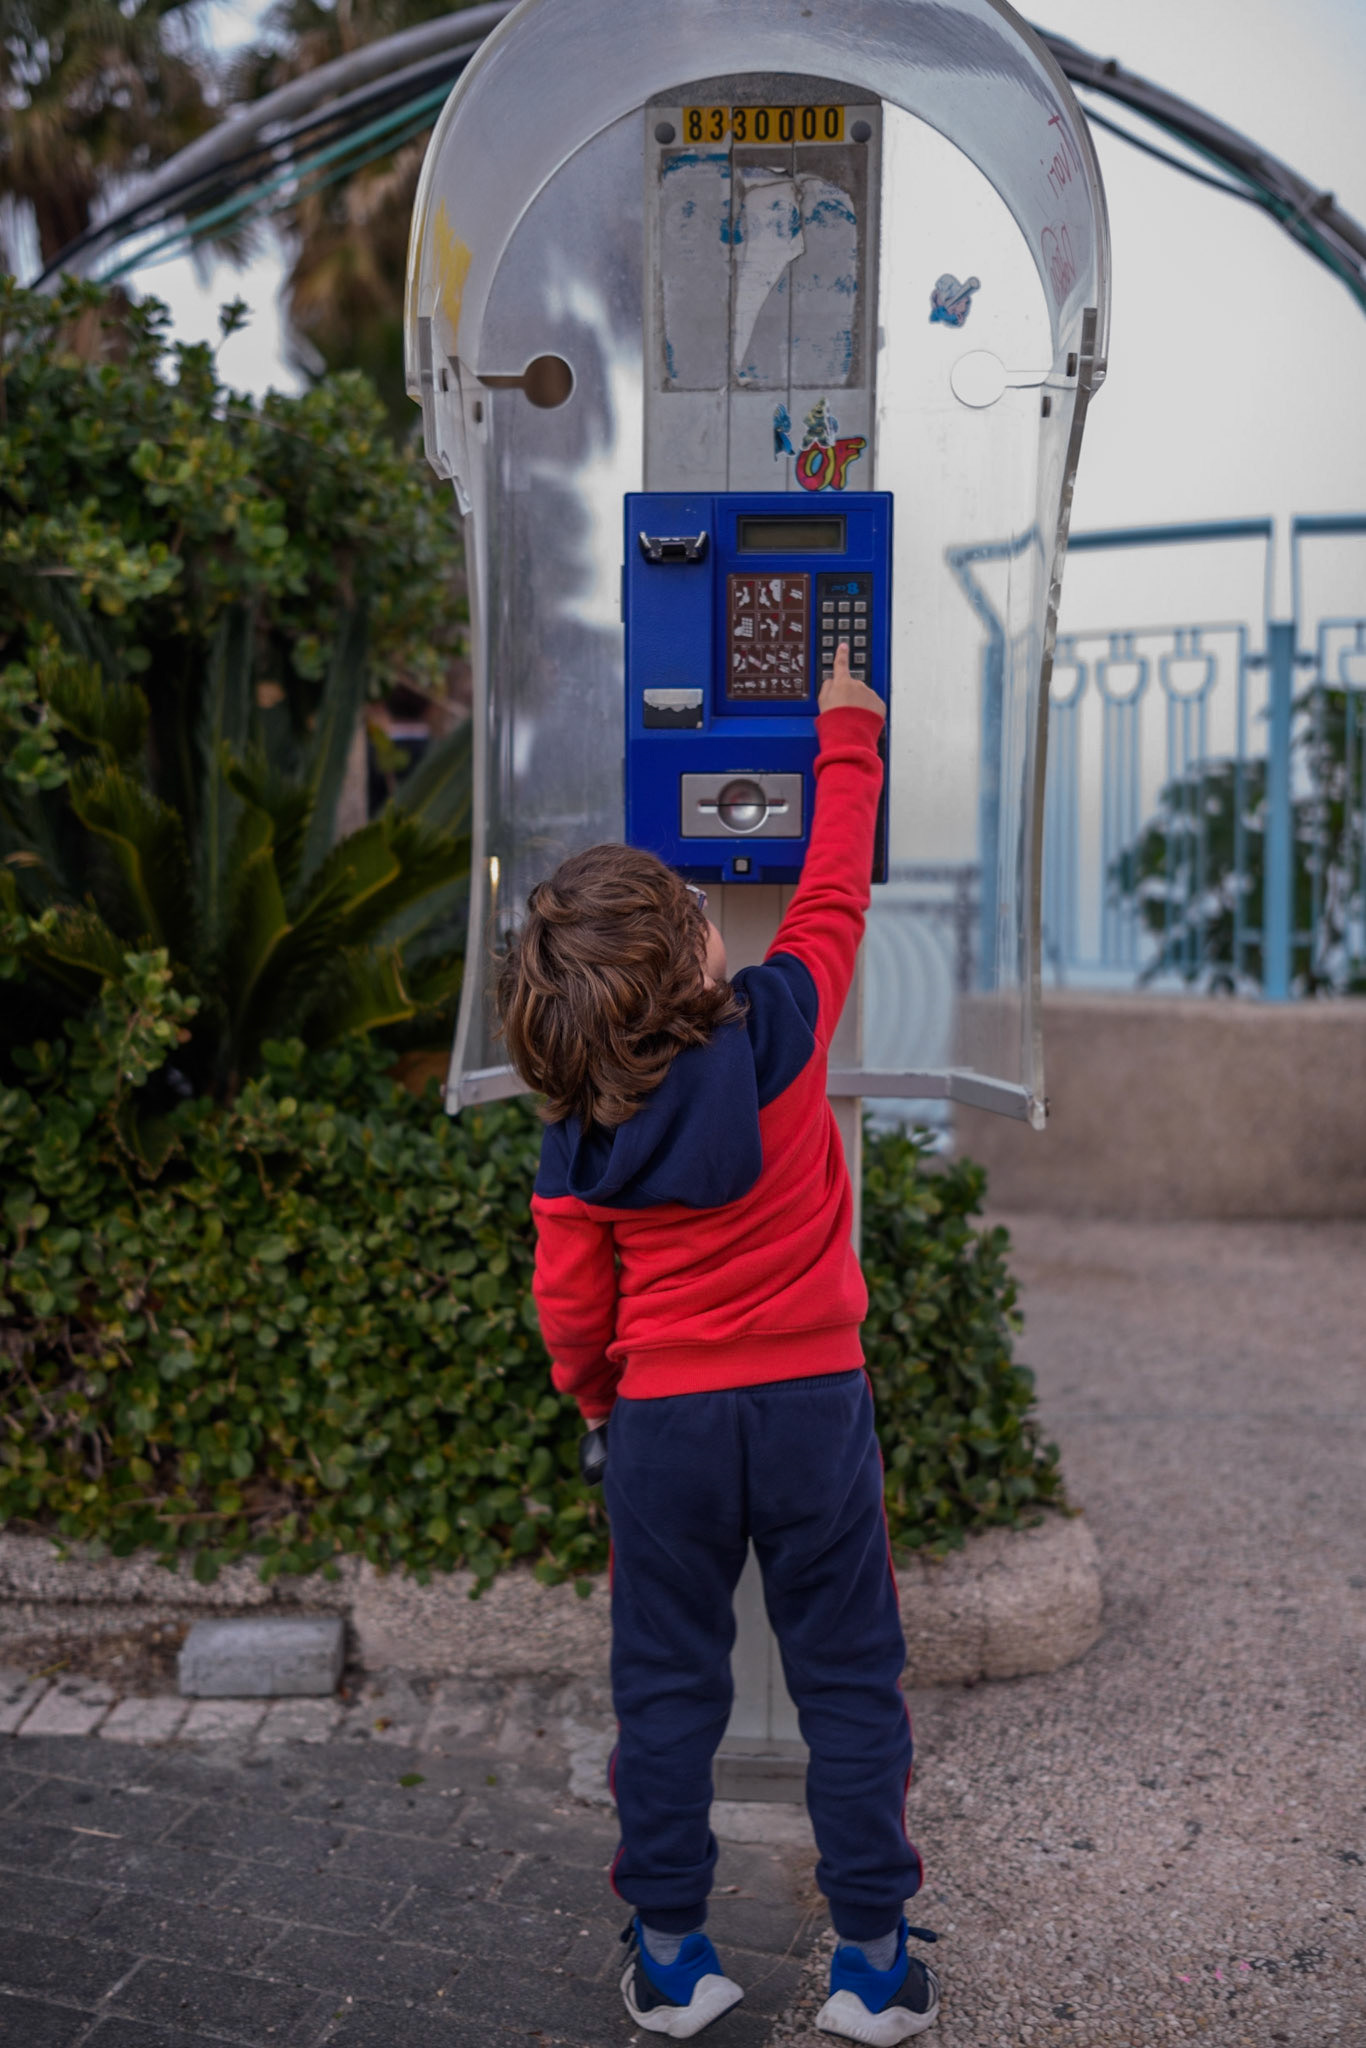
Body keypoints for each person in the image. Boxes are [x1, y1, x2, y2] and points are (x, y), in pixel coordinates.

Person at [495, 643, 939, 2044]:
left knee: (667, 1691)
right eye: (693, 910)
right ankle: (872, 1966)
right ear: (693, 956)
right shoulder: (783, 1029)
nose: (708, 912)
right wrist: (849, 735)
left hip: (664, 1429)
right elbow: (832, 889)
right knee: (848, 1680)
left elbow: (570, 1308)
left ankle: (676, 1960)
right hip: (812, 1408)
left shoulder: (578, 1139)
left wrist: (595, 1404)